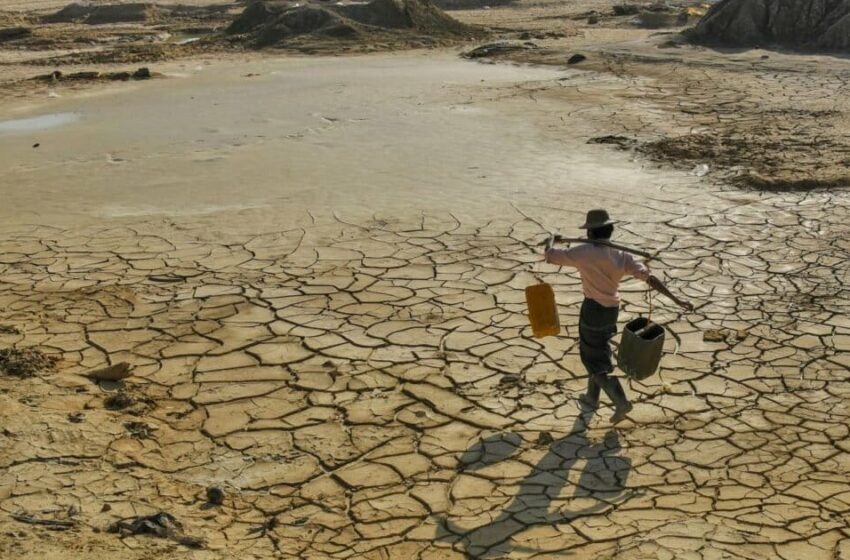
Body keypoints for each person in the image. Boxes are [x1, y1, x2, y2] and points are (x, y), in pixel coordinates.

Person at [544, 209, 693, 424]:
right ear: (610, 231)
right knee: (597, 351)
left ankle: (620, 401)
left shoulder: (583, 252)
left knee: (593, 358)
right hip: (611, 310)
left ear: (590, 234)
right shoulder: (622, 255)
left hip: (593, 309)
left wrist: (550, 240)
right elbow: (649, 278)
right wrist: (676, 299)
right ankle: (592, 398)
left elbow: (550, 256)